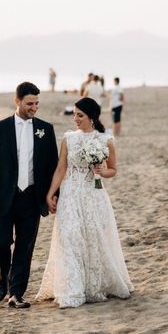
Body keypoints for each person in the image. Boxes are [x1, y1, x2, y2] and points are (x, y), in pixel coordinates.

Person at [36, 97, 134, 308]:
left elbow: (113, 170)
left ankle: (93, 285)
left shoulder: (105, 140)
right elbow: (61, 169)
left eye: (80, 115)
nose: (76, 119)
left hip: (93, 195)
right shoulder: (68, 139)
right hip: (70, 194)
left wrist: (102, 171)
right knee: (69, 237)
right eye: (74, 114)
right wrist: (50, 194)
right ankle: (71, 288)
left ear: (92, 117)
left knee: (92, 238)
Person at [0, 82, 59, 308]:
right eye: (29, 103)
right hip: (5, 196)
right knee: (2, 243)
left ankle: (16, 293)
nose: (34, 108)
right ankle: (3, 276)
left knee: (25, 246)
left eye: (36, 104)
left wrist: (54, 195)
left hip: (32, 197)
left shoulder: (46, 129)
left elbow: (53, 166)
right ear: (17, 102)